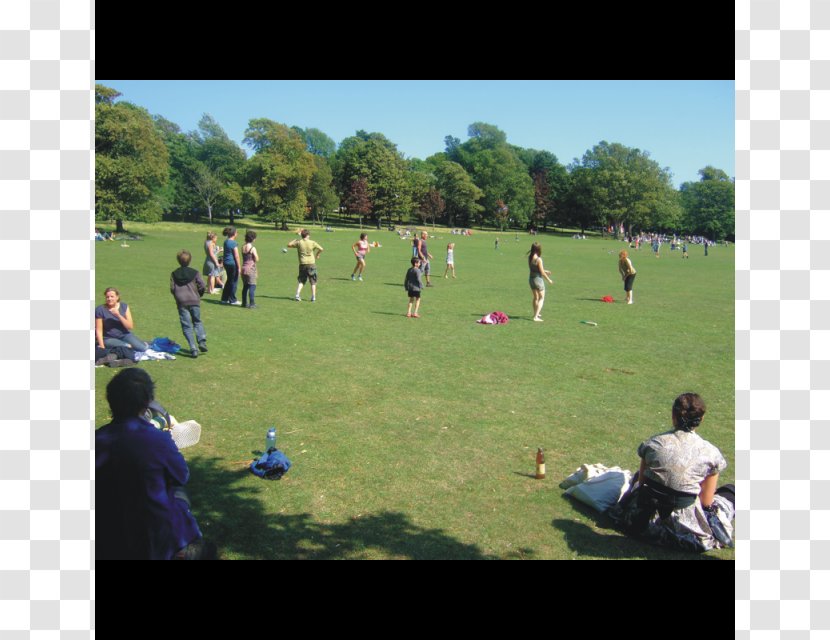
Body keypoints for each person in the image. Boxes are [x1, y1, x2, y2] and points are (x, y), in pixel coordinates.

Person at [96, 368, 215, 560]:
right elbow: (181, 475)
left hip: (109, 534)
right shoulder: (158, 440)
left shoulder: (97, 440)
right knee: (178, 491)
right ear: (146, 403)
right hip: (152, 536)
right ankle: (191, 546)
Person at [606, 392, 735, 552]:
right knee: (731, 493)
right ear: (701, 419)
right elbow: (706, 502)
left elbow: (642, 482)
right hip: (682, 528)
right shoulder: (711, 454)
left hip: (641, 520)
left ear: (673, 416)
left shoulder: (653, 444)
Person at [170, 250, 207, 358]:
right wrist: (199, 294)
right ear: (190, 260)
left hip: (181, 302)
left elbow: (172, 288)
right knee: (197, 321)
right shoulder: (195, 272)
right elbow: (202, 285)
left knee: (186, 326)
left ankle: (193, 348)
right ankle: (201, 341)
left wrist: (177, 297)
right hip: (194, 300)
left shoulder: (174, 274)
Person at [95, 287, 148, 352]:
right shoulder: (100, 309)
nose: (109, 299)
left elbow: (130, 326)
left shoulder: (124, 306)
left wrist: (118, 315)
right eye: (107, 297)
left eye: (112, 296)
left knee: (143, 348)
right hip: (108, 338)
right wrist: (102, 346)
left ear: (117, 297)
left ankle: (139, 343)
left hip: (124, 335)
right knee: (127, 347)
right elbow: (99, 330)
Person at [287, 228, 323, 302]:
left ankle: (297, 295)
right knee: (313, 281)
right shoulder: (312, 242)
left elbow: (289, 245)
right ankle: (313, 297)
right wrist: (317, 254)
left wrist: (295, 239)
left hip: (302, 264)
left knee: (301, 281)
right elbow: (321, 249)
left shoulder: (299, 242)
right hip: (311, 264)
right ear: (307, 235)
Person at [528, 242, 554, 322]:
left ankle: (536, 313)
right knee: (541, 298)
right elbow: (541, 272)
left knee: (536, 297)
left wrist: (545, 271)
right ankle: (536, 317)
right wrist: (549, 280)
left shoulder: (530, 257)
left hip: (531, 279)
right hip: (538, 280)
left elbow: (535, 269)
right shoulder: (539, 259)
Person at [220, 227, 242, 305]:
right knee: (233, 282)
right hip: (232, 264)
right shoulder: (233, 243)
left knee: (229, 281)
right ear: (234, 234)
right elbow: (236, 256)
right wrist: (239, 267)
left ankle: (224, 298)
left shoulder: (226, 242)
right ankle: (233, 300)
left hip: (226, 263)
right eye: (237, 232)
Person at [240, 230, 259, 309]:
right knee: (252, 286)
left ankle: (244, 303)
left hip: (243, 268)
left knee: (245, 286)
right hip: (250, 269)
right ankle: (252, 303)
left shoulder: (243, 247)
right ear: (253, 239)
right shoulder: (252, 248)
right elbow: (257, 259)